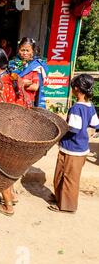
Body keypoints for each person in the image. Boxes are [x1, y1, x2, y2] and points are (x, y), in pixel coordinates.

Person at [49, 74, 99, 213]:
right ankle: (60, 198)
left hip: (72, 148)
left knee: (68, 178)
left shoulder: (77, 108)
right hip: (81, 148)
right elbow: (95, 124)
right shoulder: (90, 106)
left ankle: (67, 206)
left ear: (76, 89)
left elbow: (74, 128)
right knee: (62, 175)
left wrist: (62, 123)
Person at [0, 48, 25, 217]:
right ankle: (12, 195)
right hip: (16, 126)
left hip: (4, 127)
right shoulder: (14, 78)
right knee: (9, 165)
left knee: (1, 166)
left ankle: (8, 205)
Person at [9, 37, 48, 107]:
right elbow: (8, 82)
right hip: (14, 100)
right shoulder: (12, 64)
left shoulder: (35, 65)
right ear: (18, 50)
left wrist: (18, 83)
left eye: (27, 50)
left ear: (32, 51)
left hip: (29, 102)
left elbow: (35, 87)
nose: (24, 53)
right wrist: (23, 82)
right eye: (22, 50)